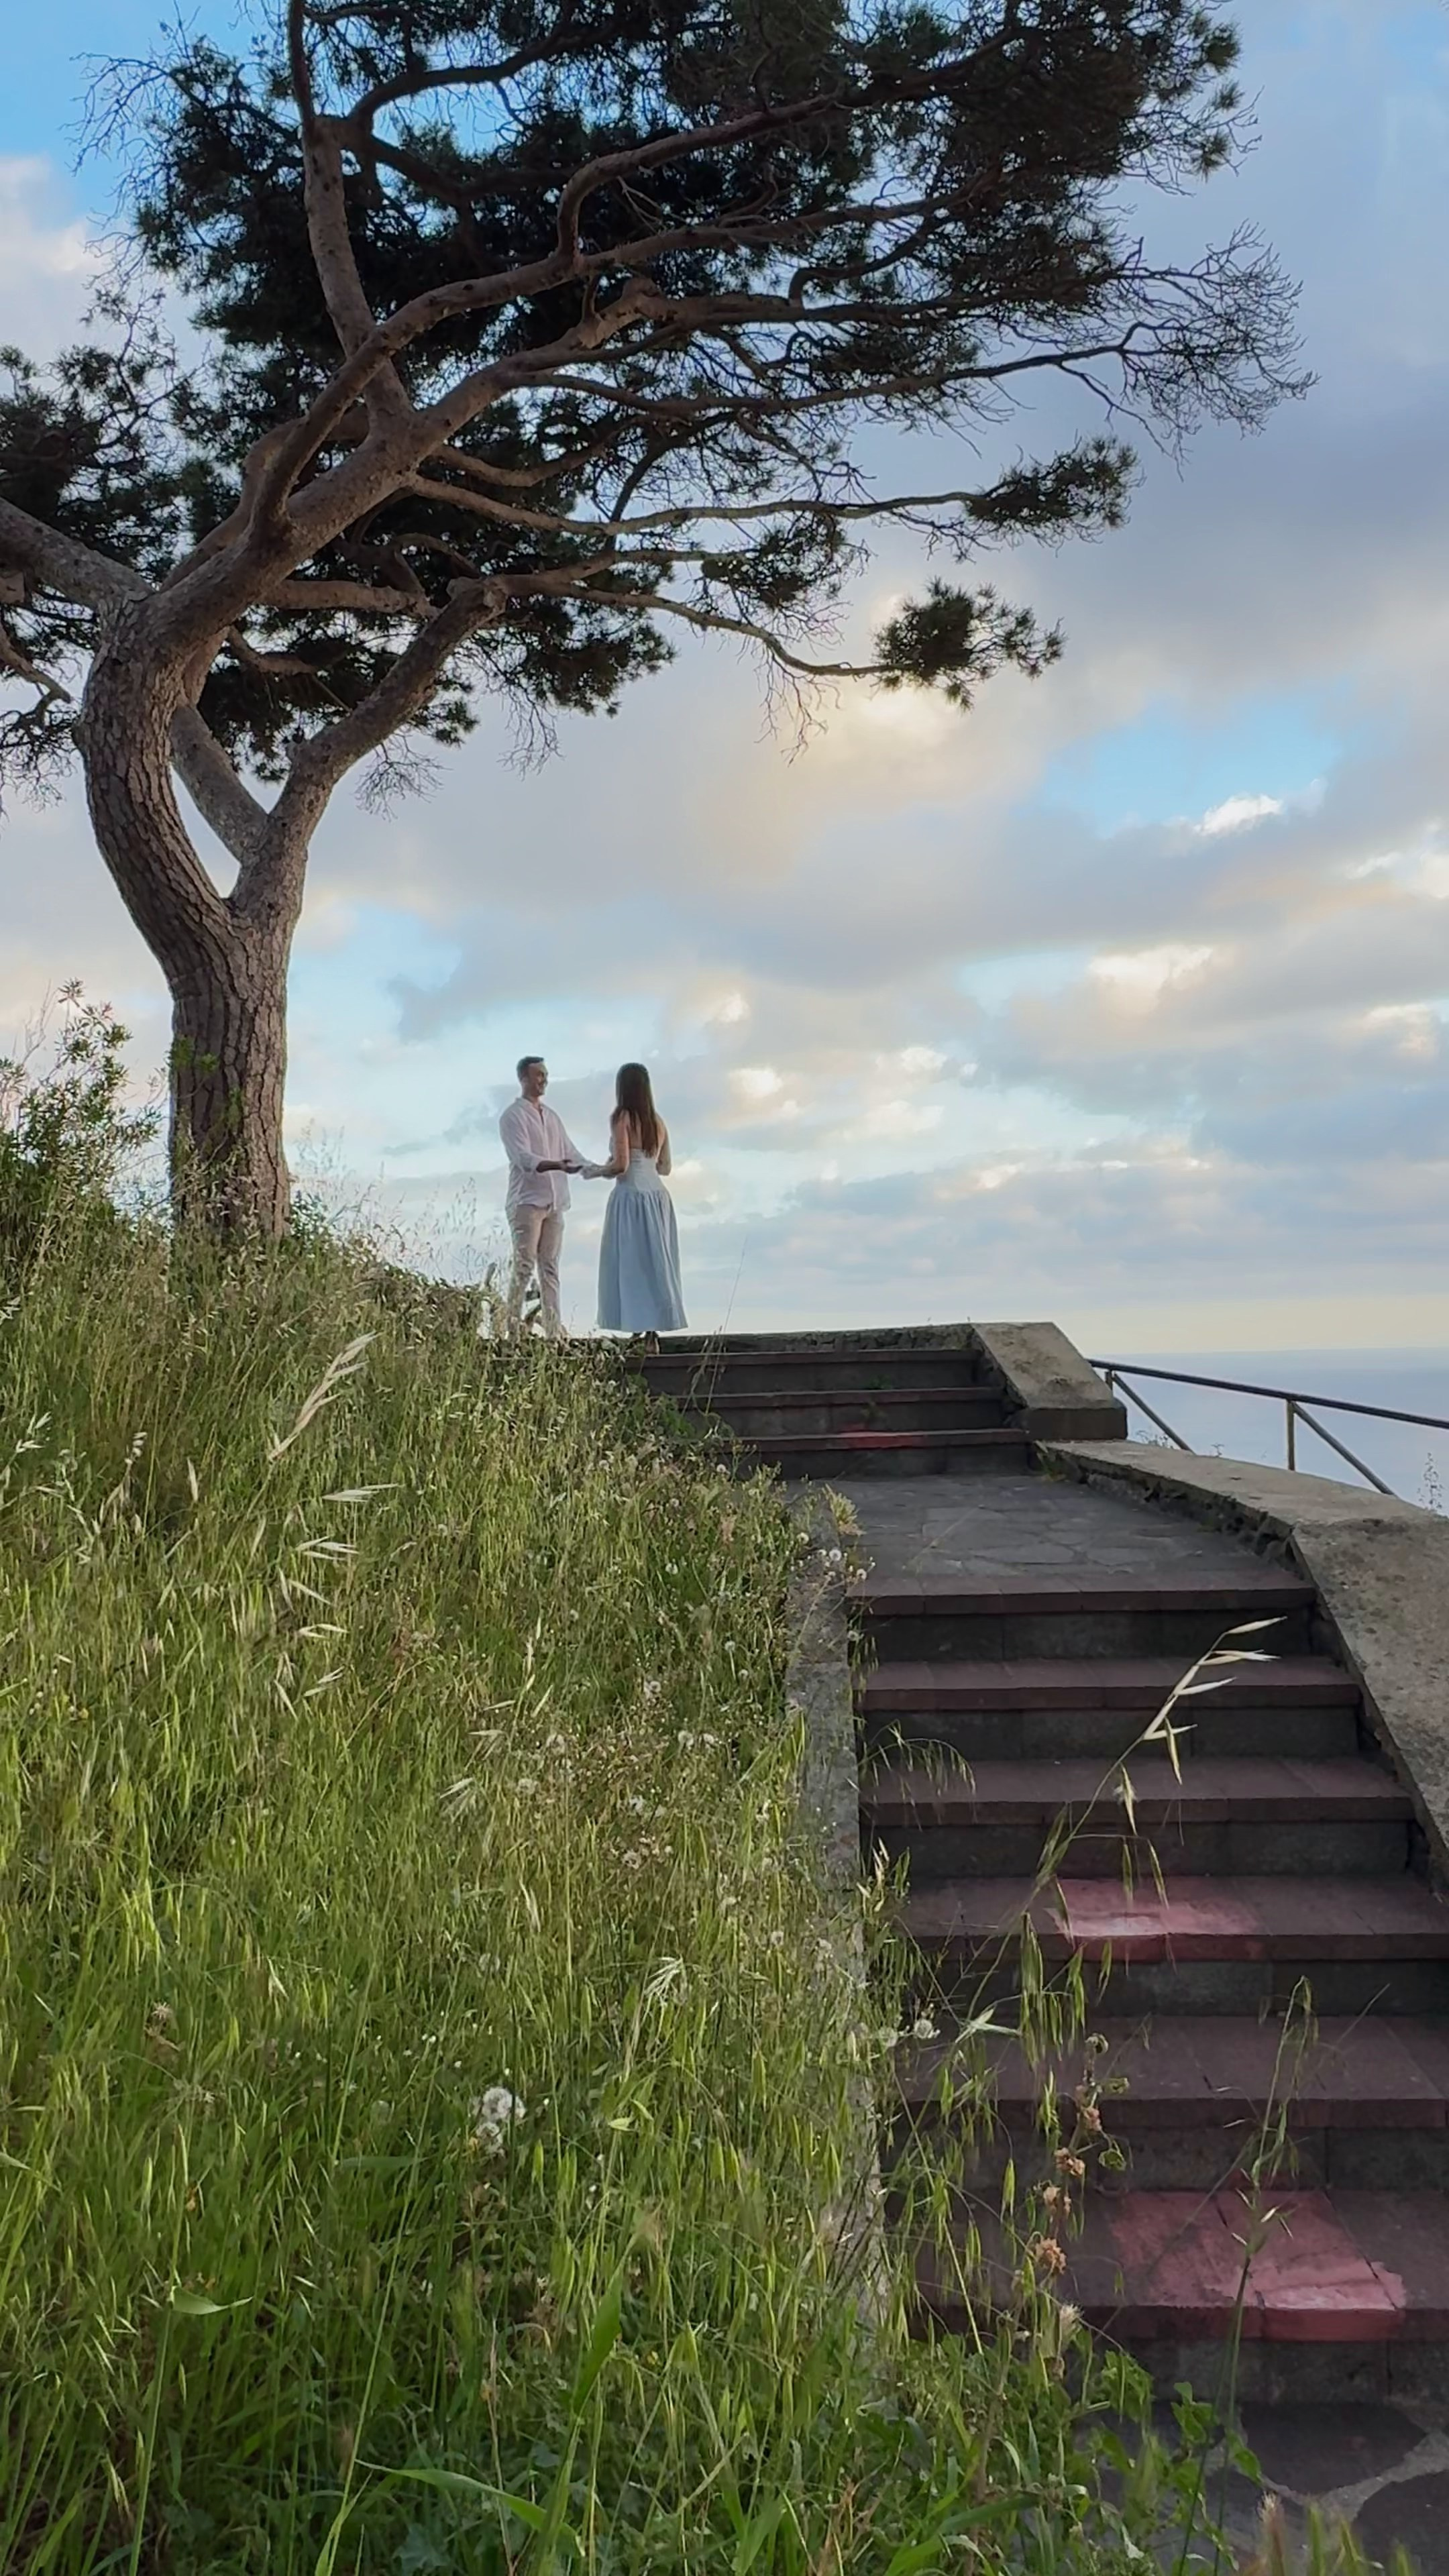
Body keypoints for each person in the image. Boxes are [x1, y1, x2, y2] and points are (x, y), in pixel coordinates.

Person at [497, 1055, 601, 1336]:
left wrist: (599, 1169)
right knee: (524, 1265)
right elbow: (523, 1158)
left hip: (555, 1202)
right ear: (524, 1079)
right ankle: (513, 1328)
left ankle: (554, 1332)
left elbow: (570, 1153)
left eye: (545, 1075)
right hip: (527, 1202)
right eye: (539, 1075)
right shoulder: (512, 1116)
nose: (544, 1080)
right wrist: (557, 1165)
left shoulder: (552, 1117)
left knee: (550, 1267)